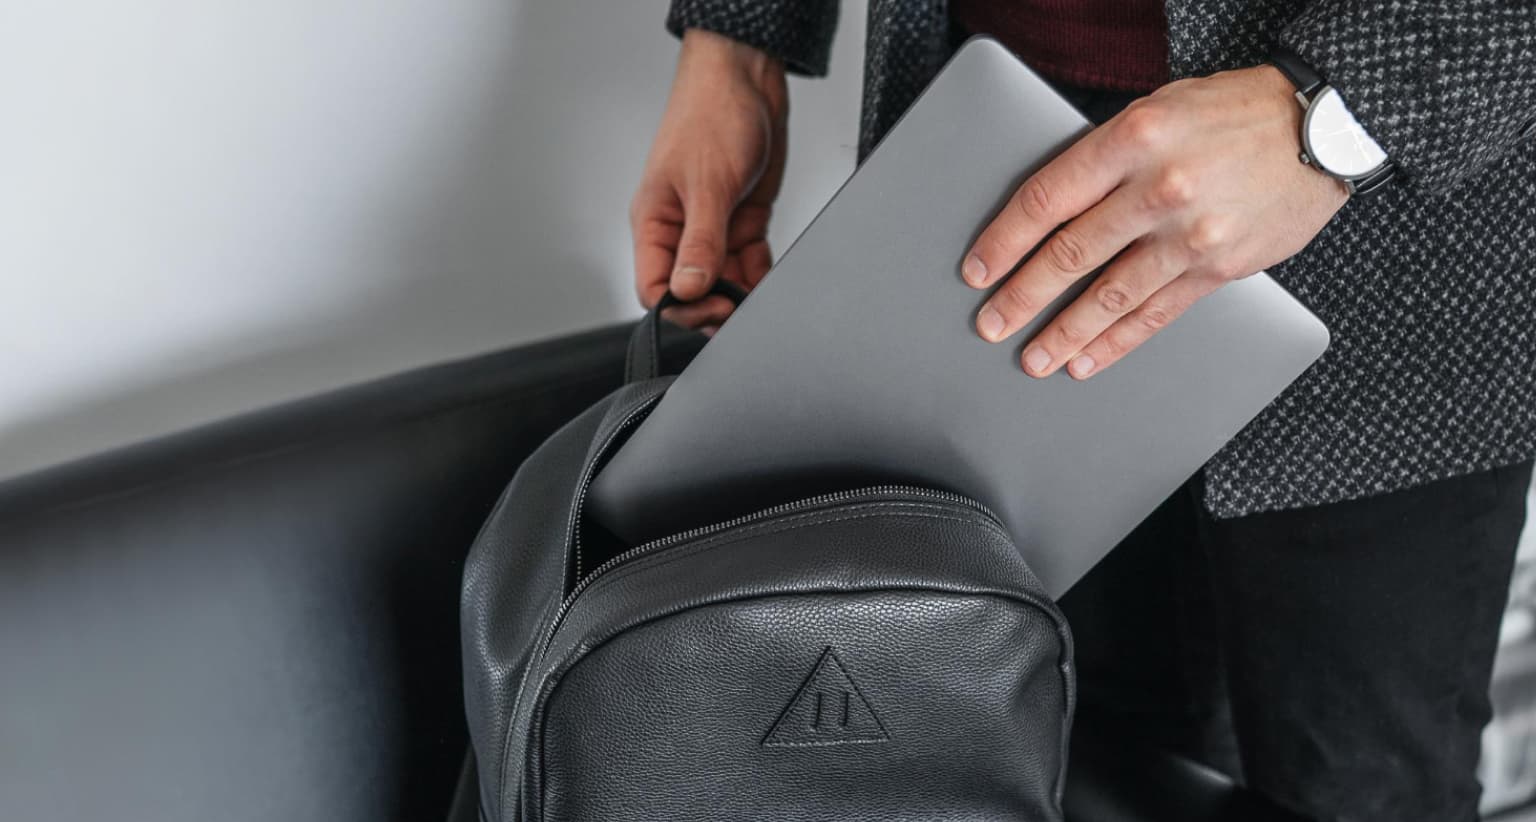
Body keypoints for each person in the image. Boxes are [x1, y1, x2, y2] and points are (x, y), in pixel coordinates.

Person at [629, 2, 1536, 820]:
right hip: (998, 144)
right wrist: (736, 43)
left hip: (1384, 212)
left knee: (1358, 782)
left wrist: (1334, 115)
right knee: (1069, 749)